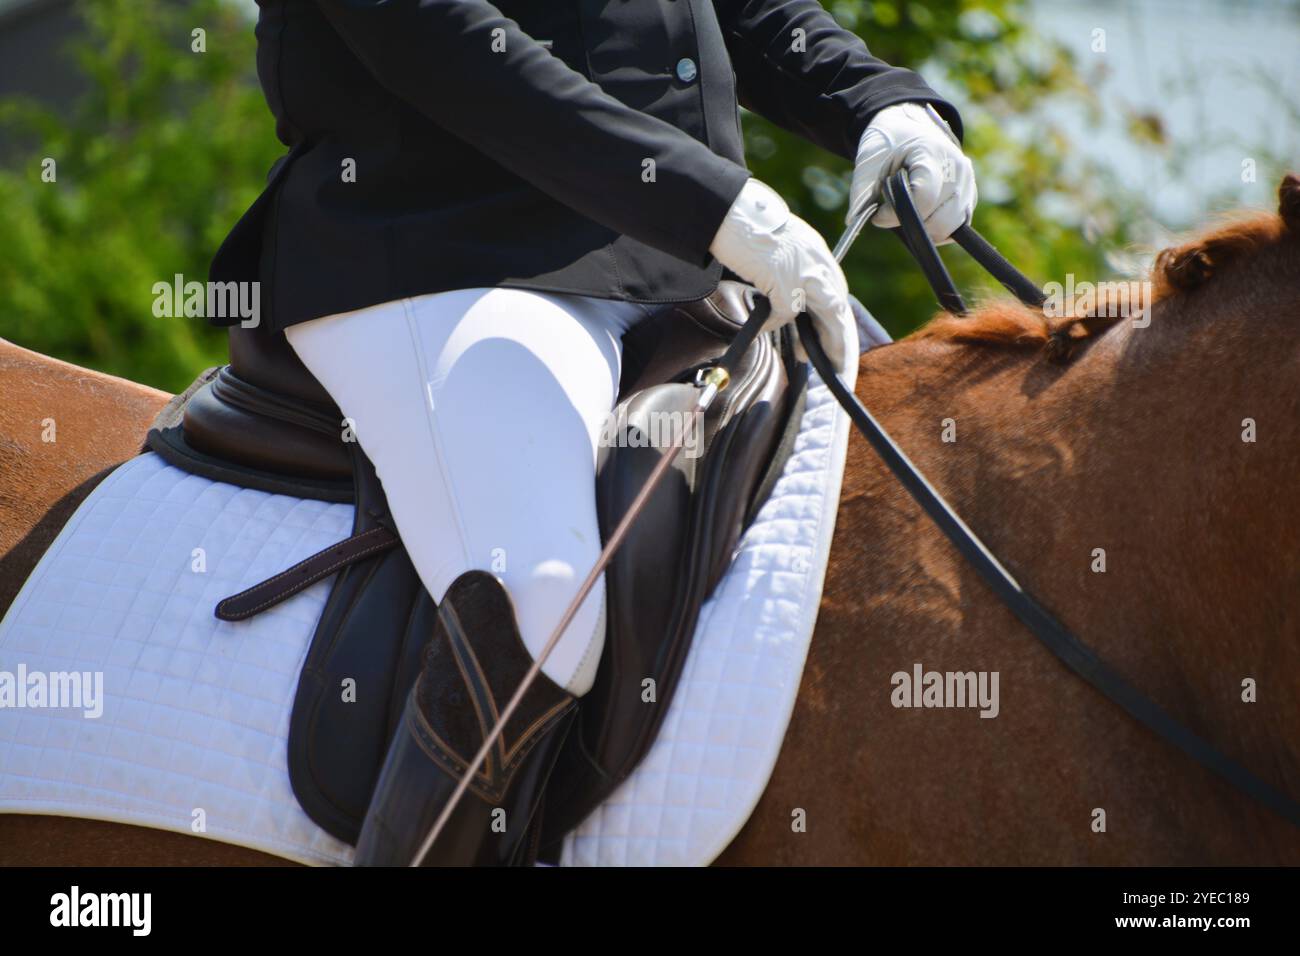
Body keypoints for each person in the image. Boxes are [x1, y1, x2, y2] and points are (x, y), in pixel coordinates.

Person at [209, 0, 977, 865]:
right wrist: (713, 204)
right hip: (441, 250)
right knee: (540, 599)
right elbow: (432, 34)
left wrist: (876, 100)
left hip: (679, 265)